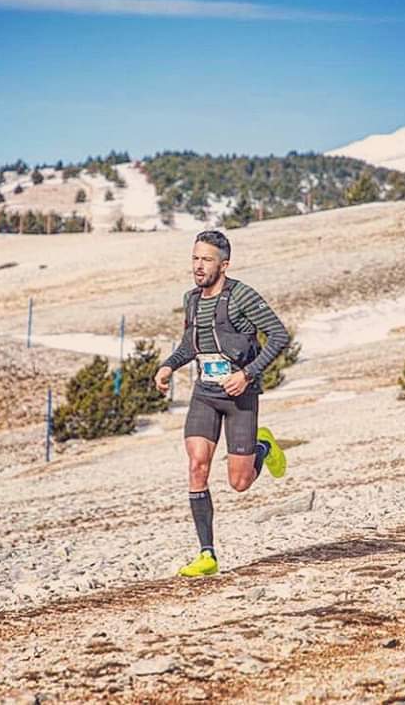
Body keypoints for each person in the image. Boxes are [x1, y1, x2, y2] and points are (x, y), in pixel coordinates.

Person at [154, 230, 292, 577]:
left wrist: (247, 374)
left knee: (239, 482)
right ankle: (207, 555)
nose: (198, 267)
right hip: (205, 394)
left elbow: (278, 335)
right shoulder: (191, 299)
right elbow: (191, 344)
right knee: (197, 464)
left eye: (207, 260)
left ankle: (263, 446)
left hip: (239, 395)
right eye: (195, 259)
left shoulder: (242, 296)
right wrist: (170, 364)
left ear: (224, 265)